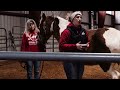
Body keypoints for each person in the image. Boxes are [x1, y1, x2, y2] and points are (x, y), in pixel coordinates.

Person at [59, 11, 89, 79]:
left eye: (81, 17)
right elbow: (61, 46)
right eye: (77, 17)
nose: (80, 19)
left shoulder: (84, 31)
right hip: (69, 59)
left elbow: (88, 41)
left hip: (80, 59)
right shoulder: (66, 32)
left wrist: (87, 45)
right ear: (72, 19)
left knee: (79, 77)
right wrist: (75, 46)